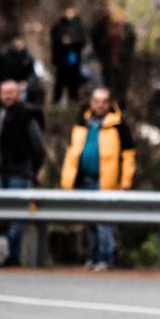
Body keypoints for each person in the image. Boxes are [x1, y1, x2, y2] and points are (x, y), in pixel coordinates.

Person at [60, 87, 135, 270]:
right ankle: (92, 256)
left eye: (103, 101)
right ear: (91, 103)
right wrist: (67, 178)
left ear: (109, 104)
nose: (99, 105)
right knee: (89, 221)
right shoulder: (82, 124)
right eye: (96, 101)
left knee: (104, 221)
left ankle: (106, 258)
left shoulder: (118, 125)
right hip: (84, 179)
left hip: (106, 181)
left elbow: (128, 155)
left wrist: (125, 182)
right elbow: (72, 152)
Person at [0, 80, 46, 267]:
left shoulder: (27, 114)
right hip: (4, 172)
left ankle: (13, 257)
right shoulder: (2, 114)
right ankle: (11, 256)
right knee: (6, 217)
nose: (7, 96)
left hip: (21, 173)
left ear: (18, 94)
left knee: (17, 217)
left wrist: (33, 170)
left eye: (11, 92)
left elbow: (39, 147)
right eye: (4, 92)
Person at [90, 5, 136, 107]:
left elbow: (131, 45)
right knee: (108, 88)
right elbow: (95, 40)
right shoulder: (102, 26)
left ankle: (119, 112)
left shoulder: (127, 28)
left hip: (123, 64)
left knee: (121, 89)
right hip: (108, 63)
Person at [50, 8, 87, 104]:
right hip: (61, 59)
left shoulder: (78, 25)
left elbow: (82, 41)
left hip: (73, 57)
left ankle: (73, 102)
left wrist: (71, 42)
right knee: (59, 82)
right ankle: (56, 102)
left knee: (73, 82)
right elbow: (55, 40)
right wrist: (63, 42)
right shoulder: (59, 25)